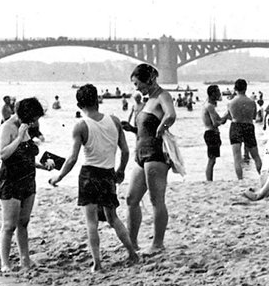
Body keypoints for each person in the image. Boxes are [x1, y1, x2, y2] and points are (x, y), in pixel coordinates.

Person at [49, 84, 138, 272]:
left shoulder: (81, 126)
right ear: (97, 99)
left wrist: (58, 177)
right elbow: (125, 150)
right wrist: (120, 171)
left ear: (79, 104)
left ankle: (97, 262)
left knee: (92, 222)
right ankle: (132, 252)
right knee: (113, 218)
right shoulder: (114, 120)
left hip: (89, 174)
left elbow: (72, 159)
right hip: (108, 174)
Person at [0, 97, 54, 272]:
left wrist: (43, 165)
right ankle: (5, 263)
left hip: (28, 178)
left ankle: (25, 260)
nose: (36, 122)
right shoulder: (7, 127)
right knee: (9, 225)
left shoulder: (28, 127)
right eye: (34, 118)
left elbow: (27, 158)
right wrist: (20, 136)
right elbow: (3, 154)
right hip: (11, 180)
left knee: (23, 222)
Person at [126, 64, 176, 256]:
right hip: (141, 153)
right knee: (131, 198)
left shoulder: (163, 95)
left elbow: (171, 114)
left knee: (156, 200)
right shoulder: (148, 101)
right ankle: (132, 242)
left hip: (155, 154)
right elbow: (143, 128)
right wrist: (130, 129)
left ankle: (158, 243)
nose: (137, 88)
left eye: (138, 84)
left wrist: (162, 127)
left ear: (150, 80)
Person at [227, 78, 262, 179]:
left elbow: (230, 116)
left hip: (236, 126)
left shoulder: (231, 103)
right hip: (248, 126)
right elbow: (254, 117)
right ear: (246, 88)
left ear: (235, 88)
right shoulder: (251, 102)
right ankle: (261, 175)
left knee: (237, 157)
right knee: (255, 156)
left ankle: (240, 179)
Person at [201, 84, 227, 181]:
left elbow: (218, 119)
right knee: (211, 160)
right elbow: (215, 123)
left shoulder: (208, 105)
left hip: (210, 133)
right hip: (211, 133)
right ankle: (209, 180)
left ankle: (209, 180)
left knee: (212, 160)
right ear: (213, 94)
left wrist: (224, 117)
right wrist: (223, 121)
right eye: (218, 92)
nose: (219, 94)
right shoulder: (210, 106)